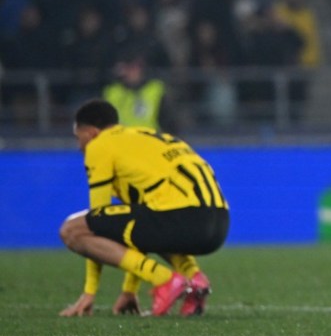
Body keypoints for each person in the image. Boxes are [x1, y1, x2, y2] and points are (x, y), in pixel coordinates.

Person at [59, 99, 229, 317]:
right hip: (218, 224)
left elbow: (97, 221)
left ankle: (165, 280)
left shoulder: (99, 146)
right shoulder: (146, 138)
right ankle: (194, 278)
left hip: (182, 217)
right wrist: (129, 290)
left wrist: (90, 292)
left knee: (72, 230)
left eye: (78, 137)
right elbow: (138, 228)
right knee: (146, 220)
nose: (78, 146)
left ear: (91, 133)